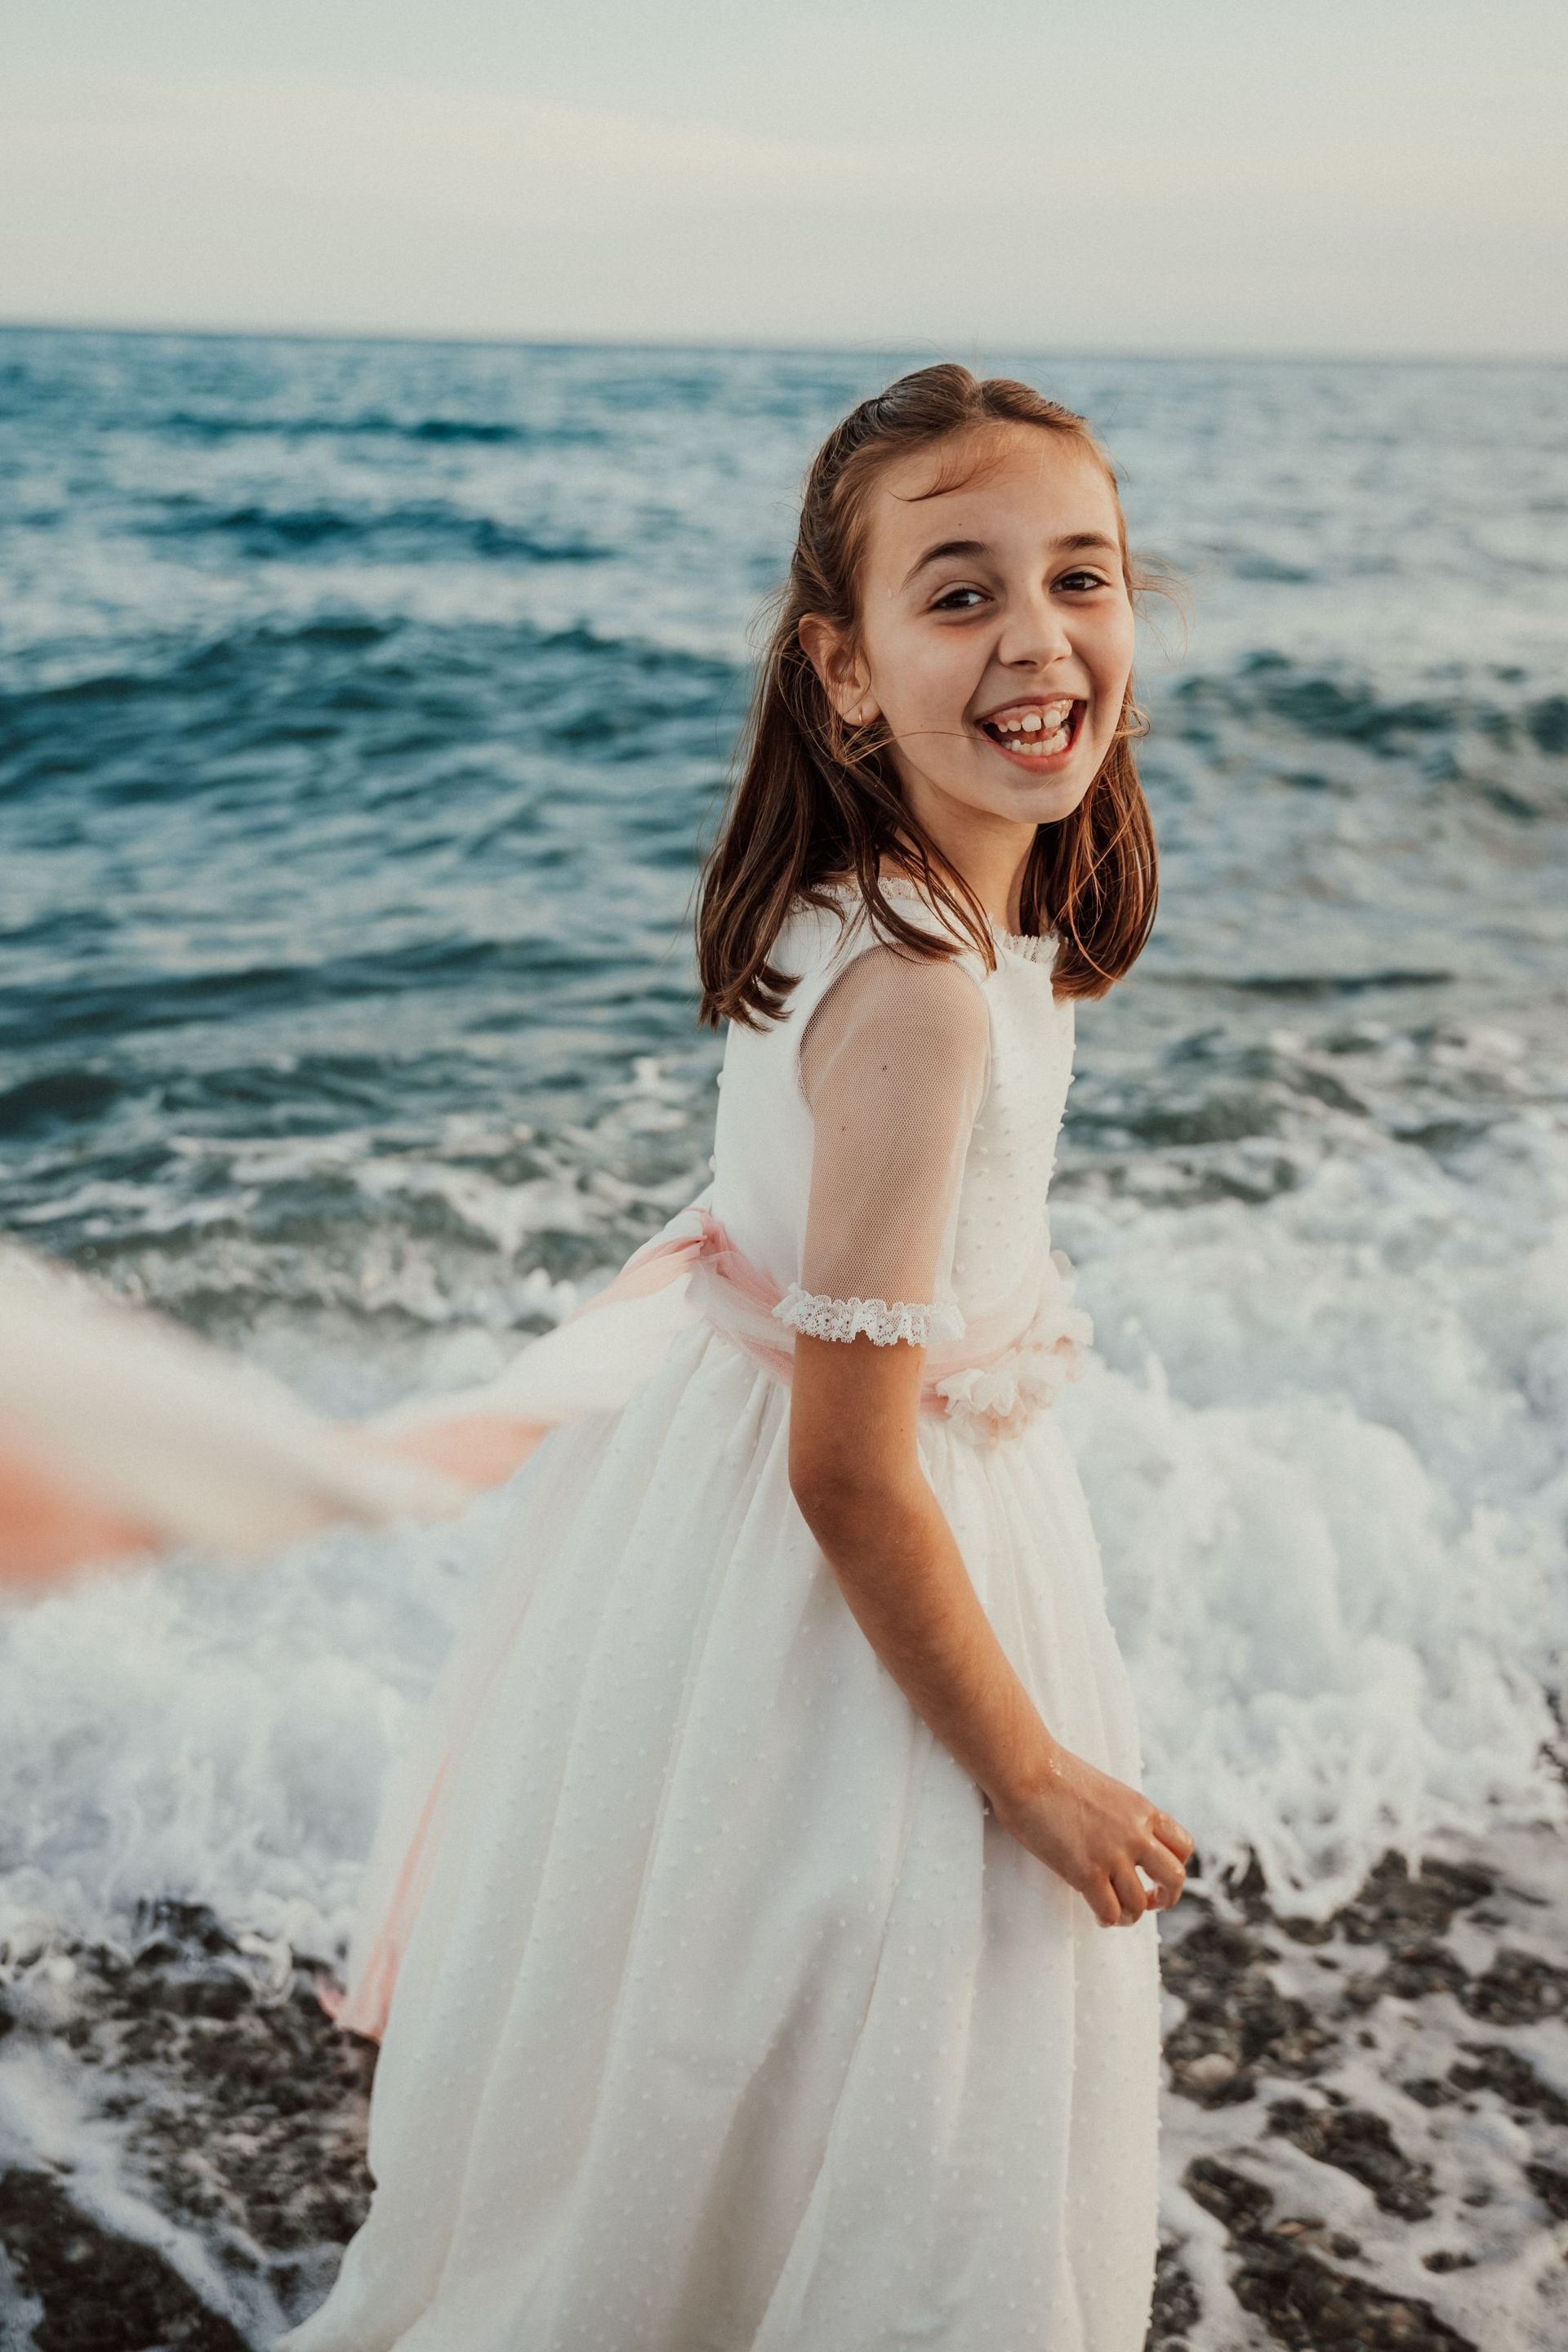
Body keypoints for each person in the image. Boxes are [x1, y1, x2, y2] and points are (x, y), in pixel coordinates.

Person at [0, 363, 1195, 2350]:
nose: (1040, 635)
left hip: (720, 1552)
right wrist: (1035, 1773)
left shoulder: (880, 915)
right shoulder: (926, 1000)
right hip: (862, 1560)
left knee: (712, 2011)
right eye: (959, 591)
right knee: (905, 2047)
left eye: (1083, 576)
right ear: (845, 669)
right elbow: (851, 1466)